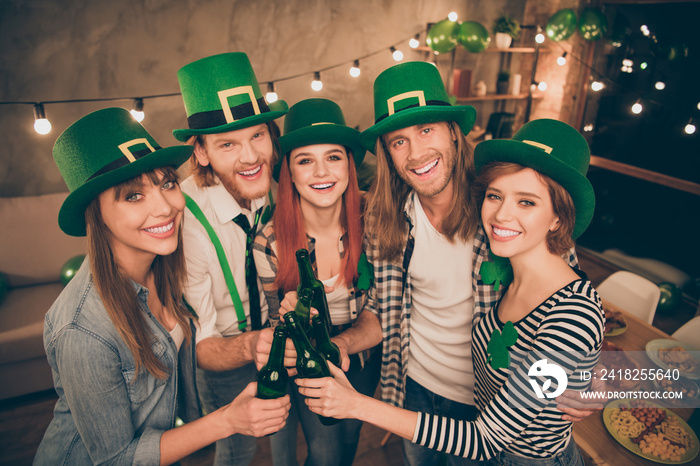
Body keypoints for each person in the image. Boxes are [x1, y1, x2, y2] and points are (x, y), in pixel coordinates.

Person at [305, 61, 602, 466]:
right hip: (415, 389)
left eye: (426, 130)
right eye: (398, 141)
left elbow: (566, 298)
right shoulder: (383, 218)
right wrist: (343, 342)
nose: (416, 153)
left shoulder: (503, 208)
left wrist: (589, 373)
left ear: (453, 132)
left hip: (490, 404)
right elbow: (383, 311)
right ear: (388, 154)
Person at [34, 108, 290, 465]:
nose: (165, 207)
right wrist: (228, 420)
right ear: (96, 214)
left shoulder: (162, 264)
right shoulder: (81, 330)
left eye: (166, 183)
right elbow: (114, 460)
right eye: (133, 196)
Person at [172, 52, 294, 466]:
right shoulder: (183, 220)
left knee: (286, 428)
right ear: (202, 152)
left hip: (282, 337)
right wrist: (251, 345)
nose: (250, 157)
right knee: (237, 448)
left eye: (257, 136)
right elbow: (202, 346)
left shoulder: (278, 188)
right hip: (225, 352)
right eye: (228, 144)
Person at [253, 98, 381, 466]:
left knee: (350, 441)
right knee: (324, 453)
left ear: (350, 164)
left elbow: (388, 309)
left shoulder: (375, 221)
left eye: (334, 157)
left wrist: (346, 345)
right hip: (309, 357)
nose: (321, 172)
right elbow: (274, 321)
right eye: (305, 160)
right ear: (289, 173)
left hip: (364, 354)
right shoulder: (269, 240)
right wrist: (291, 320)